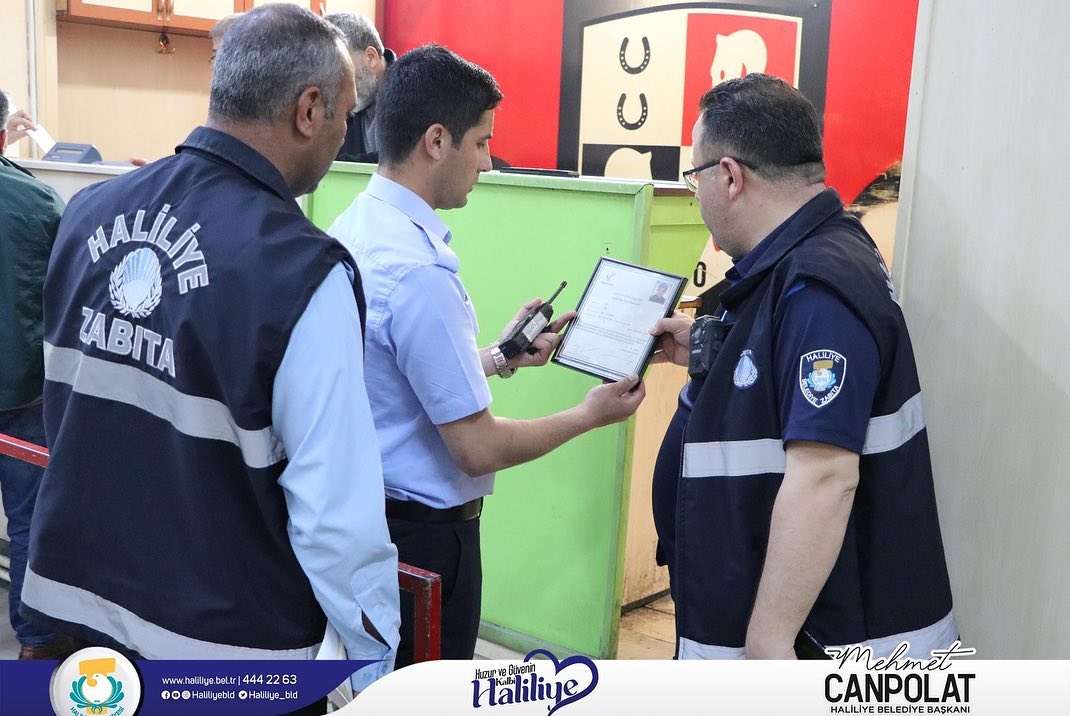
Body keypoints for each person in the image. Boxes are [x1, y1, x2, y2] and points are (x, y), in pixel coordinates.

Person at [21, 4, 398, 703]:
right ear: (308, 110)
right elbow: (335, 518)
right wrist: (373, 659)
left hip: (80, 611)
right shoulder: (302, 272)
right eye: (346, 115)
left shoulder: (88, 213)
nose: (346, 134)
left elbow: (69, 410)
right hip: (224, 648)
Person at [329, 44, 646, 666]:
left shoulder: (357, 226)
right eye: (480, 143)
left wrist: (501, 356)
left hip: (369, 524)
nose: (487, 161)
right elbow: (477, 448)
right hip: (423, 540)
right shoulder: (420, 273)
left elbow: (392, 377)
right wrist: (589, 415)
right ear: (436, 141)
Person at [650, 73, 956, 660]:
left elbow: (825, 477)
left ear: (730, 176)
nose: (697, 194)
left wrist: (769, 639)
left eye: (695, 177)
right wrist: (719, 350)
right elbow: (782, 371)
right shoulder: (815, 253)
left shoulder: (817, 287)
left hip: (814, 641)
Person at [0, 91, 72, 661]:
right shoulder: (40, 201)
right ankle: (37, 643)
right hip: (21, 389)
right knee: (28, 518)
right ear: (5, 134)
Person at [325, 11, 394, 163]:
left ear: (371, 57)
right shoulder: (339, 104)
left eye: (341, 66)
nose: (335, 79)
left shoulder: (415, 94)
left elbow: (406, 160)